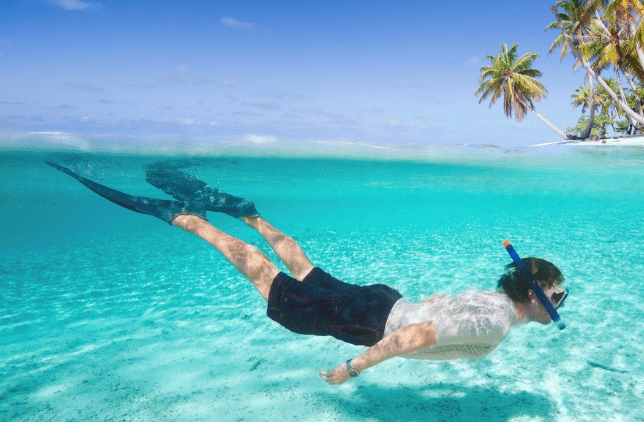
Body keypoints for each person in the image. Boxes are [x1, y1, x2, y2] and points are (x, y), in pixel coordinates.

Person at [47, 161, 568, 385]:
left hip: (384, 299)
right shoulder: (495, 325)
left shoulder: (490, 299)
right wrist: (352, 369)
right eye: (559, 296)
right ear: (536, 295)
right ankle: (187, 219)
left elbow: (435, 301)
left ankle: (247, 211)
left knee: (302, 265)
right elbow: (413, 337)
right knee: (272, 283)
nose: (561, 305)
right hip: (375, 324)